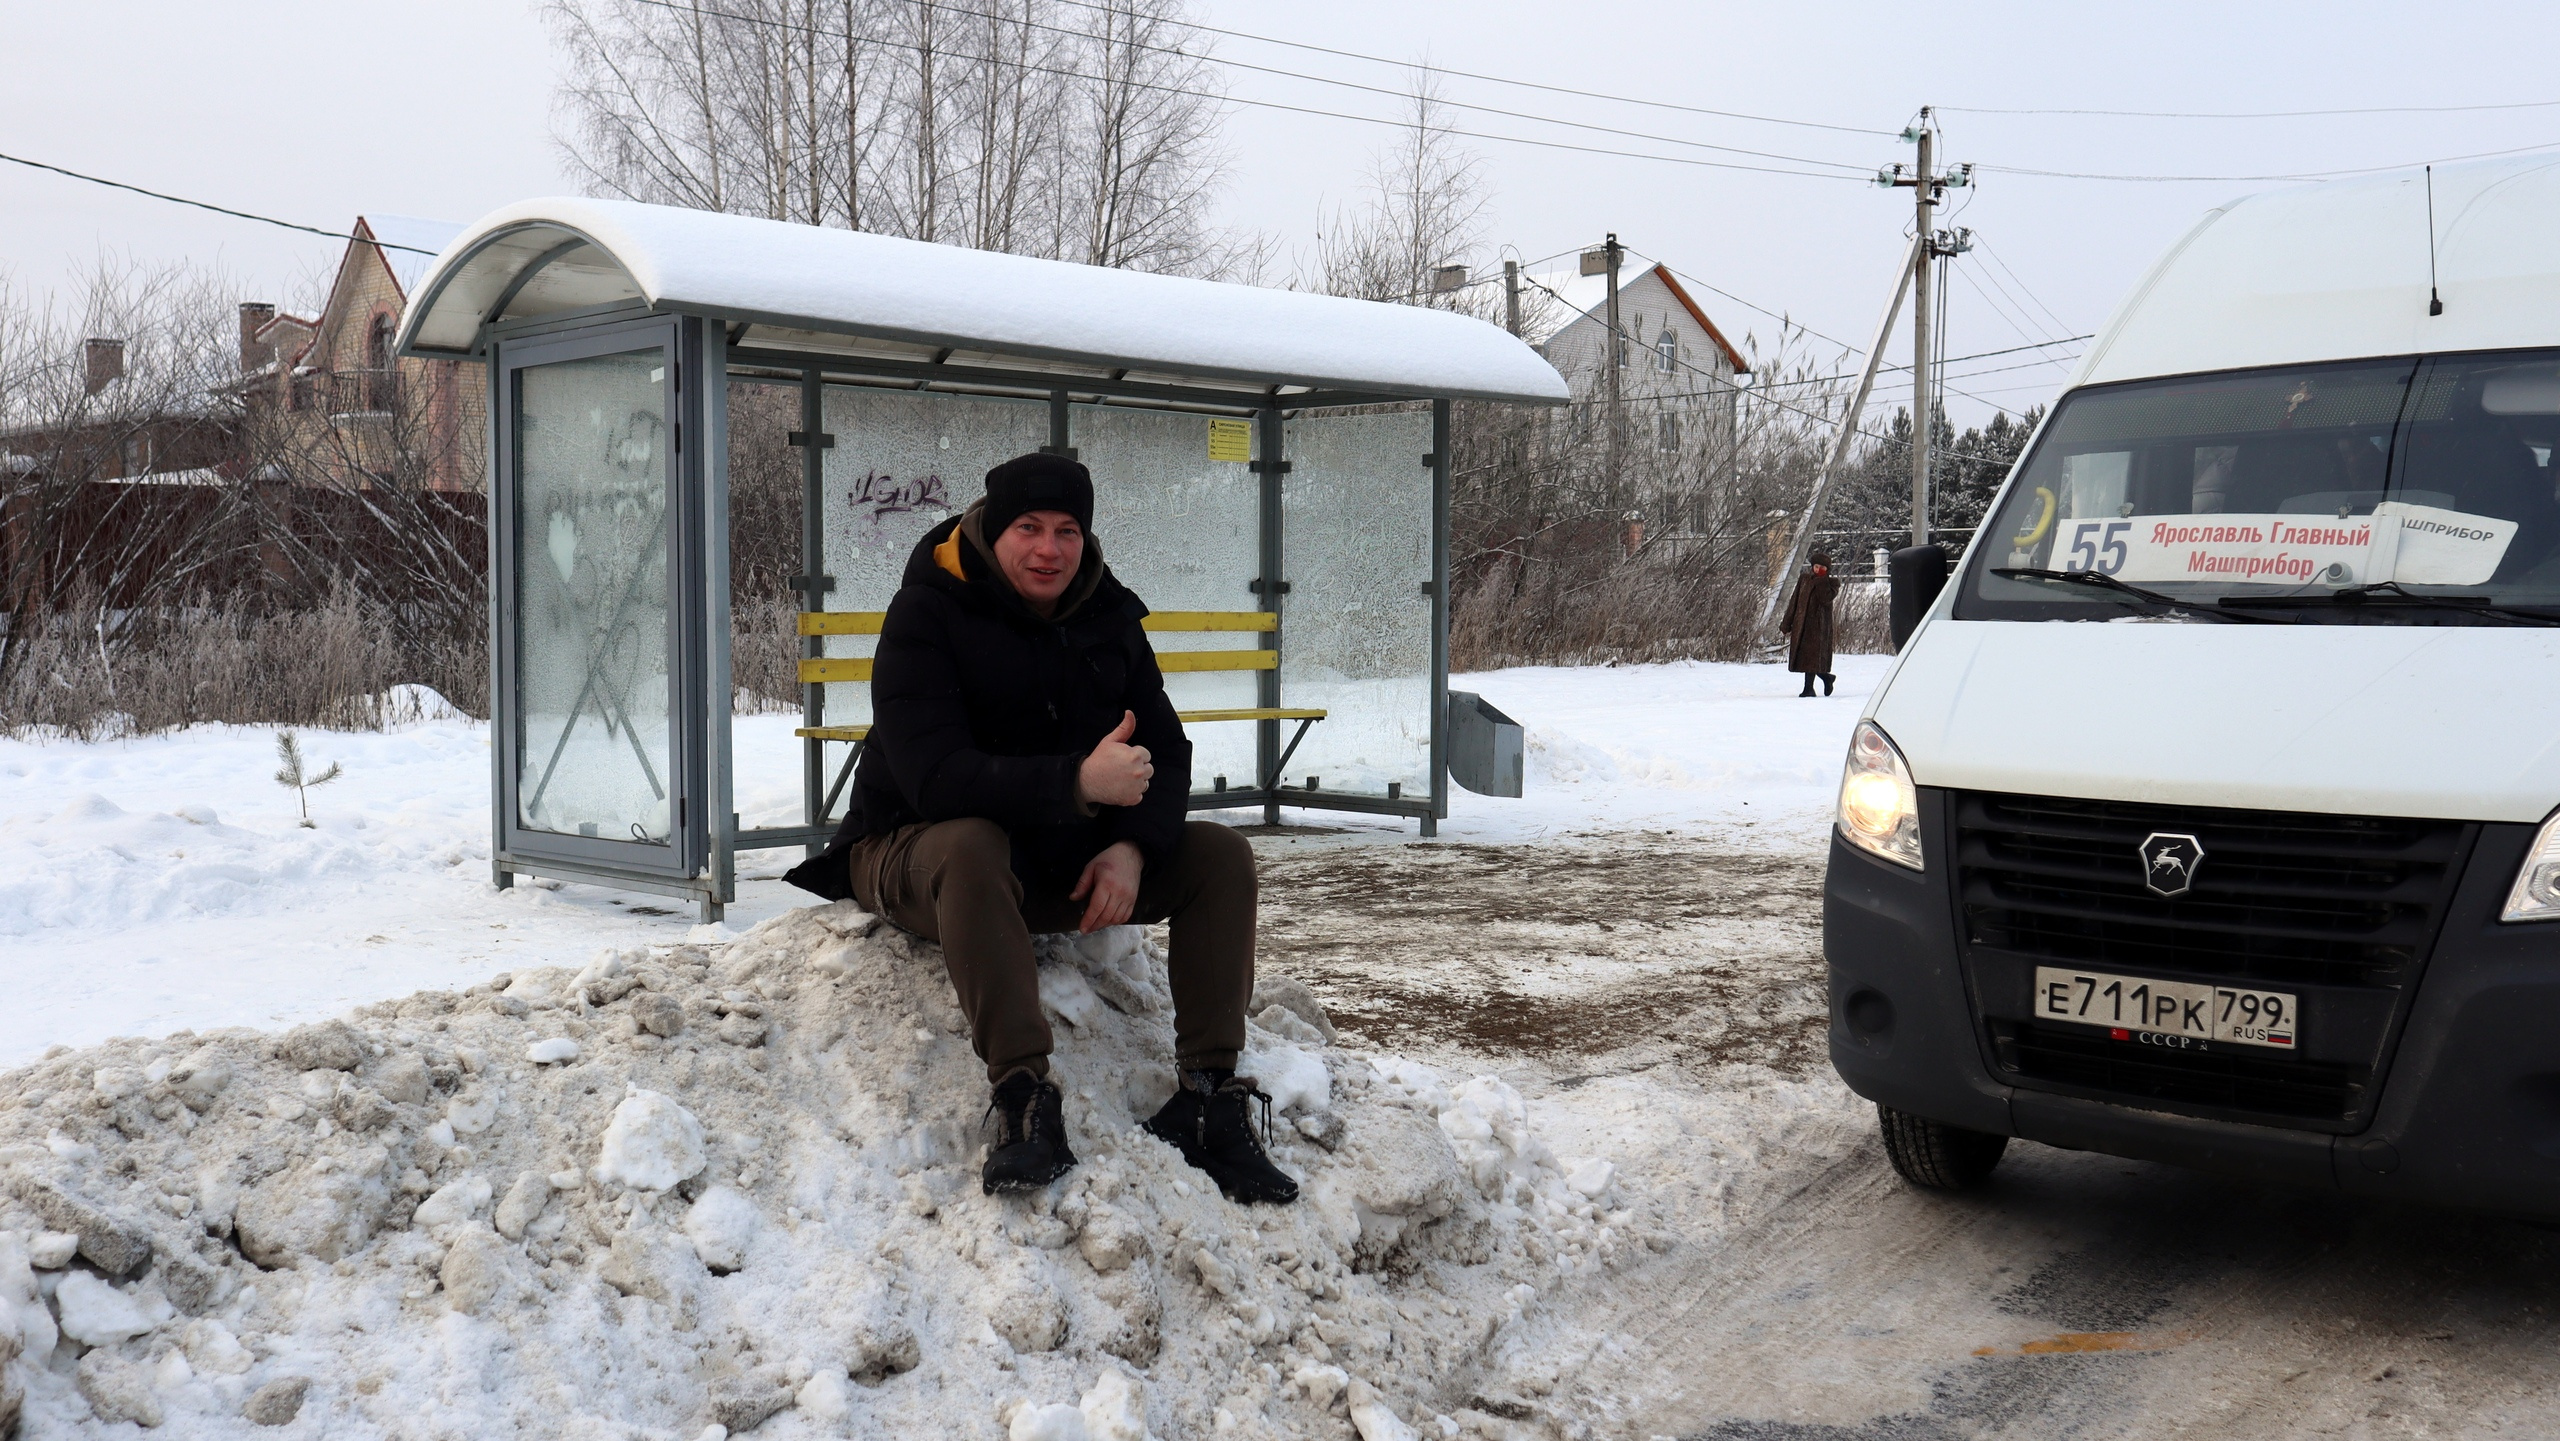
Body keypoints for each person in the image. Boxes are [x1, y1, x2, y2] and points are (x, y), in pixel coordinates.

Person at [784, 453, 1298, 1206]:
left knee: (1219, 856)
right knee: (970, 841)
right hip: (911, 847)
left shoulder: (1109, 614)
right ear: (993, 529)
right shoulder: (928, 611)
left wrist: (1132, 845)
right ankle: (1024, 1095)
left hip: (1046, 856)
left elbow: (1168, 749)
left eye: (1067, 531)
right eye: (1028, 527)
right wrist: (1078, 784)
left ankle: (1208, 1095)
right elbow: (937, 778)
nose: (1048, 549)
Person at [1782, 550, 1840, 697]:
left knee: (1812, 658)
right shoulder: (1804, 579)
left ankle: (1809, 688)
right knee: (1805, 658)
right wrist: (1786, 623)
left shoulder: (1831, 583)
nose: (1818, 569)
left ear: (1827, 570)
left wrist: (1821, 581)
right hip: (1801, 626)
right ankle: (1826, 678)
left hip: (1819, 628)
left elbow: (1825, 599)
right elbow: (1794, 602)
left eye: (1822, 567)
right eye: (1816, 566)